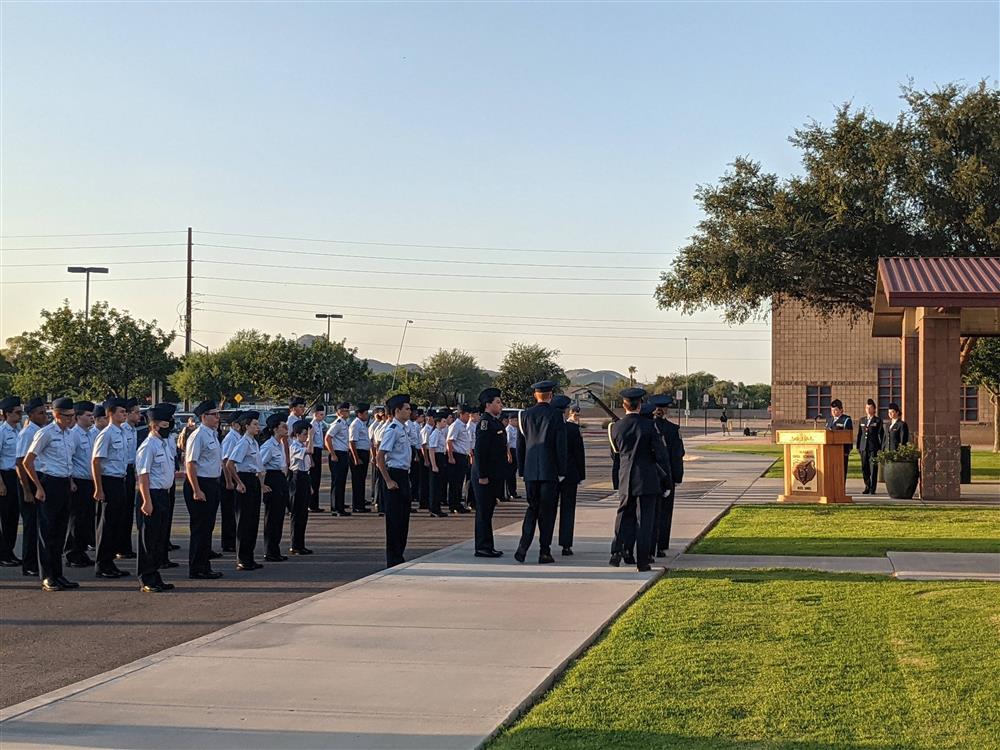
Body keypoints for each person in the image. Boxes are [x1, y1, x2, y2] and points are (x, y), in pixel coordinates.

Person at [609, 388, 669, 572]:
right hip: (647, 478)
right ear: (640, 405)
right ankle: (642, 561)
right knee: (644, 521)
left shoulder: (615, 427)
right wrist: (665, 480)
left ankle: (616, 551)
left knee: (623, 516)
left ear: (623, 405)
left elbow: (616, 454)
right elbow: (661, 455)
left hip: (626, 476)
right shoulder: (649, 426)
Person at [23, 397, 79, 591]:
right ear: (56, 415)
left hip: (64, 483)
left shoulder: (69, 434)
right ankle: (47, 576)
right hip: (49, 483)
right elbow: (27, 462)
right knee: (47, 532)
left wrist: (70, 481)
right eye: (67, 416)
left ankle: (58, 574)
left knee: (60, 532)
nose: (71, 419)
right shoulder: (45, 433)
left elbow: (68, 460)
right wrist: (38, 487)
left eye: (73, 415)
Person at [514, 380, 568, 564]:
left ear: (535, 395)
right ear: (551, 395)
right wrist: (562, 470)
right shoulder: (556, 415)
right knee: (547, 513)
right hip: (549, 471)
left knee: (532, 509)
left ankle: (523, 547)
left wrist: (522, 469)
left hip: (530, 472)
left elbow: (520, 445)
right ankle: (544, 551)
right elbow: (560, 446)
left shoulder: (525, 415)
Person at [134, 403, 177, 592]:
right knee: (148, 539)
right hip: (151, 495)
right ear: (154, 425)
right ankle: (147, 578)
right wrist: (146, 501)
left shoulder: (163, 444)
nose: (169, 426)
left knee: (159, 539)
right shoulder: (148, 446)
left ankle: (155, 575)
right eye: (165, 424)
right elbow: (143, 475)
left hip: (163, 495)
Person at [91, 398, 131, 579]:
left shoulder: (122, 432)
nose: (124, 414)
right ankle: (102, 564)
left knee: (116, 524)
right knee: (105, 524)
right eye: (121, 412)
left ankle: (110, 562)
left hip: (120, 480)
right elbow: (96, 461)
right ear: (110, 414)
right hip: (108, 481)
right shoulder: (106, 434)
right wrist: (98, 488)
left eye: (125, 412)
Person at [184, 400, 224, 579]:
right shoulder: (198, 435)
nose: (218, 418)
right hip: (200, 483)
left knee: (208, 527)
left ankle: (204, 564)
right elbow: (190, 464)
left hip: (212, 482)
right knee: (200, 527)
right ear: (203, 417)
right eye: (214, 414)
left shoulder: (213, 434)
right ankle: (197, 567)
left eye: (218, 414)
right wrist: (196, 489)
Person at [225, 410, 266, 570]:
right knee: (244, 521)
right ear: (246, 426)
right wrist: (239, 482)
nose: (258, 427)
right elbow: (229, 463)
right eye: (254, 424)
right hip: (245, 479)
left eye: (258, 424)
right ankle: (242, 558)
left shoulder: (254, 442)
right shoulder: (243, 442)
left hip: (253, 480)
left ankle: (249, 556)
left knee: (253, 520)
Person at [375, 394, 413, 567]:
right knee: (395, 520)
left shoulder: (403, 428)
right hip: (394, 475)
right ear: (397, 411)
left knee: (403, 519)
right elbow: (380, 457)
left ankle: (399, 555)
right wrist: (388, 480)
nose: (409, 411)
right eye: (406, 408)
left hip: (404, 475)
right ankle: (393, 558)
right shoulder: (392, 430)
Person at [16, 397, 48, 577]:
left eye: (45, 412)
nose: (44, 416)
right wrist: (27, 490)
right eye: (40, 413)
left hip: (38, 479)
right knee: (30, 525)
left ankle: (37, 560)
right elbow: (20, 463)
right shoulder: (28, 433)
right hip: (28, 483)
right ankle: (29, 564)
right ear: (31, 415)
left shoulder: (40, 431)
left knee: (40, 524)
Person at [472, 388, 506, 558]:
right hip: (484, 476)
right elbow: (480, 452)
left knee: (488, 511)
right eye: (497, 402)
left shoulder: (495, 422)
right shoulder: (485, 423)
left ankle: (488, 545)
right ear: (488, 404)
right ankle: (482, 547)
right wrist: (482, 475)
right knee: (484, 512)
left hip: (493, 474)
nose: (500, 405)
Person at [649, 394, 685, 557]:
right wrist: (677, 477)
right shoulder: (672, 429)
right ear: (665, 410)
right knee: (664, 511)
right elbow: (678, 455)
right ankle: (661, 543)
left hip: (648, 475)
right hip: (666, 475)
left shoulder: (646, 427)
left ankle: (648, 543)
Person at [552, 395, 585, 556]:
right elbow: (579, 453)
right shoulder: (572, 429)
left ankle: (545, 543)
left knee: (548, 509)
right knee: (568, 509)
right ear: (566, 411)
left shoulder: (549, 427)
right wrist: (581, 475)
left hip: (550, 473)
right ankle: (566, 545)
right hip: (570, 474)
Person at [65, 401, 96, 568]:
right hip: (78, 481)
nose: (91, 418)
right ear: (77, 417)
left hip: (89, 481)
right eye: (88, 415)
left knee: (86, 519)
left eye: (92, 415)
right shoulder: (74, 434)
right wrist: (70, 480)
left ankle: (81, 550)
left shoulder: (90, 434)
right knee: (76, 519)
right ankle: (72, 553)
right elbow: (68, 459)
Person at [260, 412, 289, 562]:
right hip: (272, 479)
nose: (286, 428)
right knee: (272, 518)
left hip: (280, 480)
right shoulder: (269, 446)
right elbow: (260, 465)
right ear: (275, 429)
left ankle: (275, 550)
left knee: (279, 517)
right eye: (283, 426)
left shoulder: (279, 444)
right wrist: (262, 485)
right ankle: (269, 551)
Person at [0, 396, 23, 567]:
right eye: (17, 412)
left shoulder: (19, 430)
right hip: (5, 476)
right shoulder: (2, 432)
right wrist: (0, 483)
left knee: (14, 516)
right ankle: (3, 554)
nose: (20, 415)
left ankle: (10, 551)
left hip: (17, 475)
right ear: (7, 414)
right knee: (6, 517)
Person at [117, 397, 141, 561]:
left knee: (127, 512)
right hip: (123, 470)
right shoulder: (123, 430)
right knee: (121, 512)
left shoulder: (132, 430)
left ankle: (125, 546)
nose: (139, 415)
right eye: (136, 412)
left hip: (130, 470)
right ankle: (120, 547)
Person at [218, 413, 243, 553]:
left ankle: (233, 539)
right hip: (228, 477)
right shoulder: (231, 438)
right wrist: (228, 481)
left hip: (234, 474)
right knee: (228, 511)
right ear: (234, 424)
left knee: (234, 509)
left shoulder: (237, 437)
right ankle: (228, 542)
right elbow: (225, 461)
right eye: (239, 423)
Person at [287, 419, 313, 555]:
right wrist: (312, 437)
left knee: (304, 513)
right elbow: (310, 451)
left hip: (304, 477)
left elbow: (309, 465)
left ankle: (301, 543)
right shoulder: (295, 446)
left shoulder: (301, 445)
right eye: (304, 434)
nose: (306, 437)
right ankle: (295, 544)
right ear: (296, 434)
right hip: (297, 478)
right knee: (297, 513)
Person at [325, 402, 351, 516]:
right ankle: (336, 508)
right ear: (339, 412)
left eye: (348, 410)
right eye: (345, 410)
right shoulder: (338, 423)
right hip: (337, 454)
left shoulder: (344, 423)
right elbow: (328, 438)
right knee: (337, 481)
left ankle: (339, 505)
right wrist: (333, 454)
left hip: (343, 453)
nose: (347, 412)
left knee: (341, 481)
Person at [446, 405, 472, 514]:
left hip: (463, 456)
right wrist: (451, 456)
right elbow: (449, 441)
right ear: (461, 414)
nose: (468, 417)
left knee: (460, 481)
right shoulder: (456, 425)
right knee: (455, 482)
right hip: (457, 456)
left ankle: (457, 503)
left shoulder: (464, 426)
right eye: (467, 415)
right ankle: (454, 504)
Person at [856, 398, 884, 495]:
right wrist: (858, 447)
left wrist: (880, 448)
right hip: (864, 447)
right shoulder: (862, 420)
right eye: (867, 408)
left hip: (873, 448)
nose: (868, 409)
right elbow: (859, 434)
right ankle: (867, 486)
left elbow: (881, 435)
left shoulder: (878, 421)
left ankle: (873, 488)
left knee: (873, 468)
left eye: (870, 408)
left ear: (874, 409)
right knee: (865, 468)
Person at [348, 403, 372, 513]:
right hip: (358, 453)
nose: (367, 415)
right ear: (359, 414)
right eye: (366, 413)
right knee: (357, 480)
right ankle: (357, 505)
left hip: (364, 453)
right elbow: (352, 442)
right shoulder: (355, 425)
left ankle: (361, 503)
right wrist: (356, 458)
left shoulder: (362, 424)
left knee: (362, 480)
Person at [826, 399, 853, 489]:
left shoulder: (846, 420)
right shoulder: (829, 420)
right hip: (830, 451)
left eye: (836, 410)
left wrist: (847, 450)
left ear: (841, 410)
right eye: (832, 410)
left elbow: (848, 436)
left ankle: (841, 488)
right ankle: (832, 488)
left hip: (841, 451)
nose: (833, 412)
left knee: (841, 471)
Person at [427, 409, 449, 517]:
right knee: (434, 486)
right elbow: (431, 450)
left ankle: (437, 508)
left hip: (441, 457)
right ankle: (434, 508)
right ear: (438, 422)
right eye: (443, 421)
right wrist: (434, 465)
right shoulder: (435, 433)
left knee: (439, 485)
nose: (445, 423)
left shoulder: (440, 432)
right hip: (436, 458)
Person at [308, 402, 326, 512]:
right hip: (313, 452)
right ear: (315, 414)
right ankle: (312, 504)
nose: (322, 416)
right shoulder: (312, 426)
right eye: (320, 414)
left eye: (323, 414)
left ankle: (315, 504)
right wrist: (310, 459)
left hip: (318, 450)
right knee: (314, 479)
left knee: (317, 479)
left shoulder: (320, 424)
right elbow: (309, 442)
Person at [419, 411, 436, 510]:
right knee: (424, 480)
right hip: (425, 455)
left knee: (428, 479)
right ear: (428, 418)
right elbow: (423, 446)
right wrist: (426, 459)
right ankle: (423, 502)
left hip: (430, 453)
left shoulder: (432, 429)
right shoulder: (426, 429)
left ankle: (427, 500)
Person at [503, 415, 519, 500]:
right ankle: (510, 492)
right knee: (509, 474)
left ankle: (514, 492)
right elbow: (507, 444)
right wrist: (509, 455)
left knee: (513, 473)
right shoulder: (508, 429)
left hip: (515, 450)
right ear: (510, 421)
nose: (516, 422)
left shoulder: (516, 429)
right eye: (515, 420)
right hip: (511, 451)